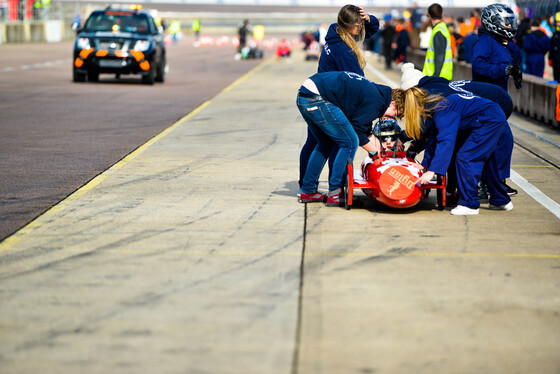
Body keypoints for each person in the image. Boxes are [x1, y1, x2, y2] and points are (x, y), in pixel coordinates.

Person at [399, 62, 518, 197]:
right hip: (493, 104)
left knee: (465, 153)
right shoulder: (437, 86)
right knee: (464, 148)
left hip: (498, 104)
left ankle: (482, 188)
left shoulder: (434, 94)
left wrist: (405, 141)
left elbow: (429, 129)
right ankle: (488, 189)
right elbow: (432, 132)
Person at [298, 5, 380, 195]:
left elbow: (373, 30)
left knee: (318, 142)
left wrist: (369, 19)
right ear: (350, 25)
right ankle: (335, 187)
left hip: (320, 94)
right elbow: (358, 84)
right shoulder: (343, 49)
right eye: (358, 25)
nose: (361, 29)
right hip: (327, 100)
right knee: (342, 141)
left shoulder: (339, 34)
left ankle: (307, 186)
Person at [391, 87, 512, 215]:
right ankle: (500, 200)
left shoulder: (443, 111)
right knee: (487, 162)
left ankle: (469, 204)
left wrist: (432, 171)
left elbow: (446, 141)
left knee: (465, 158)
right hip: (492, 115)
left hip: (489, 120)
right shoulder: (436, 107)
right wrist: (425, 165)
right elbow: (434, 140)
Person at [296, 71, 397, 206]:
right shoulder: (376, 101)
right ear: (392, 104)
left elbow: (363, 128)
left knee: (325, 143)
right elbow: (358, 133)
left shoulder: (375, 94)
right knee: (350, 142)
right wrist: (375, 154)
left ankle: (308, 190)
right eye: (395, 114)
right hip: (317, 97)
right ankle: (336, 193)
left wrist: (380, 147)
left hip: (305, 95)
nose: (391, 118)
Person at [472, 4, 522, 92]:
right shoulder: (485, 41)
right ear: (493, 21)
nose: (510, 25)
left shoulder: (503, 41)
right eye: (507, 22)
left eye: (511, 22)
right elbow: (478, 66)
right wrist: (503, 70)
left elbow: (516, 58)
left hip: (500, 93)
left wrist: (514, 71)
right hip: (486, 94)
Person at [318, 5, 380, 75]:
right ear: (349, 24)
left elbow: (373, 28)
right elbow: (357, 80)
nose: (361, 26)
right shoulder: (343, 50)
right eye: (359, 24)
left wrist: (368, 18)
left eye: (362, 23)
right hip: (331, 85)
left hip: (325, 83)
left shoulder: (337, 34)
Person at [422, 3, 453, 80]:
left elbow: (440, 56)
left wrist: (435, 76)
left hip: (438, 77)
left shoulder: (438, 31)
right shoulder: (442, 28)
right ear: (442, 14)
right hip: (442, 75)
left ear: (429, 15)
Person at [550, 12, 560, 82]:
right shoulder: (554, 33)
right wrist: (550, 58)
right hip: (555, 60)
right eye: (557, 22)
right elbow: (551, 47)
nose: (558, 24)